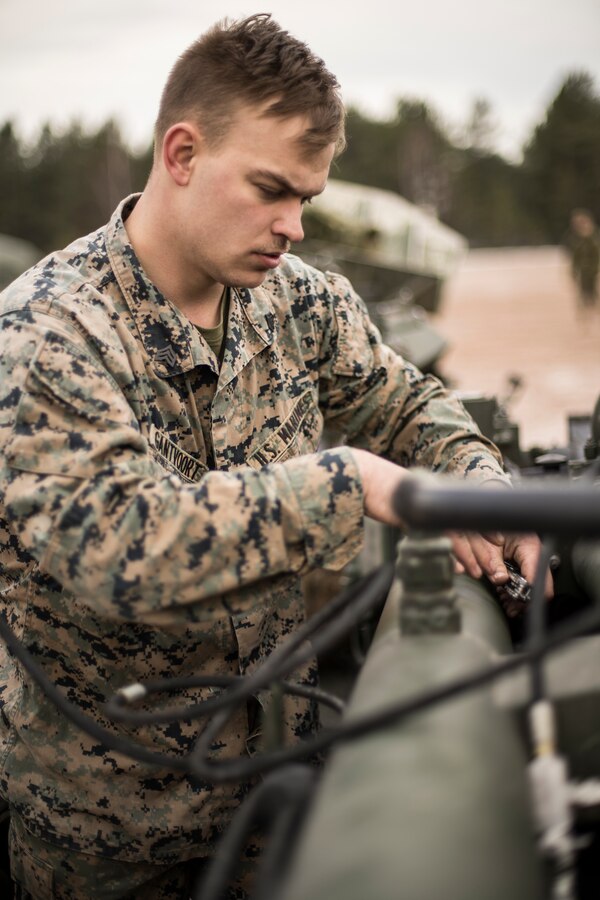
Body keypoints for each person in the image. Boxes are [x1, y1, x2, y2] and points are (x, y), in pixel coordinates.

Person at [0, 13, 548, 899]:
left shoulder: (297, 304)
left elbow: (407, 402)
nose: (293, 226)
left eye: (307, 200)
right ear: (182, 154)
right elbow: (120, 545)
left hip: (284, 798)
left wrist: (481, 486)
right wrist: (354, 480)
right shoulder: (49, 333)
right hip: (109, 840)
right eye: (270, 189)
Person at [565, 208, 600, 314]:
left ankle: (592, 307)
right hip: (583, 269)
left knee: (591, 289)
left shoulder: (592, 237)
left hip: (591, 269)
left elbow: (596, 253)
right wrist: (573, 270)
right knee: (583, 290)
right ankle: (585, 309)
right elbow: (574, 256)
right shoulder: (575, 239)